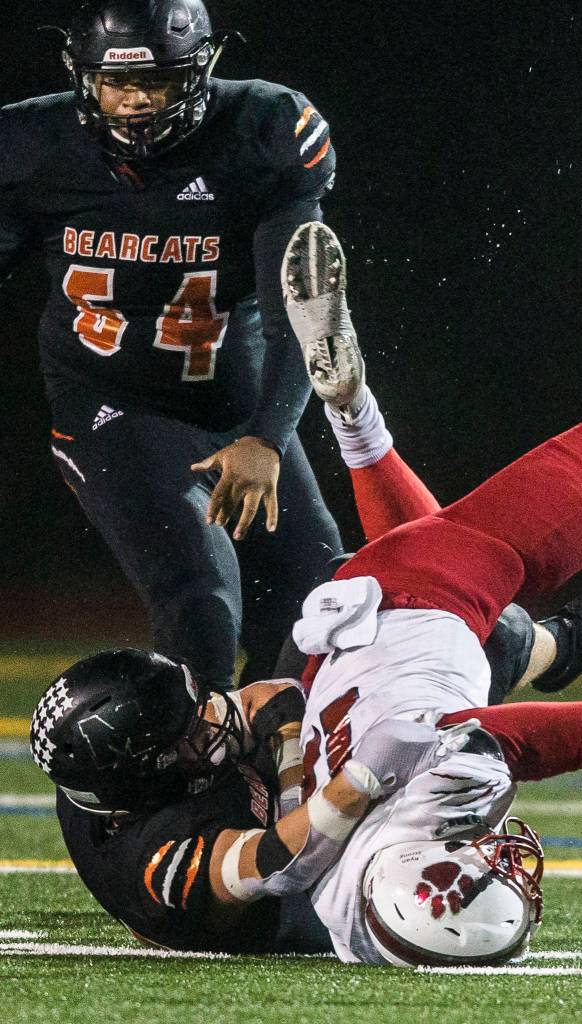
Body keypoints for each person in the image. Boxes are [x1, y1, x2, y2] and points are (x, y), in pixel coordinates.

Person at [30, 78, 582, 967]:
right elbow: (288, 789)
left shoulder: (442, 772)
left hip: (415, 605)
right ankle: (516, 602)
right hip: (360, 622)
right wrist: (314, 770)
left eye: (466, 861)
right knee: (453, 612)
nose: (498, 859)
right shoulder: (334, 902)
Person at [0, 0, 343, 690]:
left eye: (154, 82)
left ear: (200, 71)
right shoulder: (30, 142)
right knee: (202, 600)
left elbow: (301, 312)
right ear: (82, 75)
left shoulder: (262, 131)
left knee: (322, 610)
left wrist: (268, 437)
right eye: (115, 83)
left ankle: (272, 781)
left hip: (234, 404)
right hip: (111, 405)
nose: (133, 102)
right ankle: (174, 793)